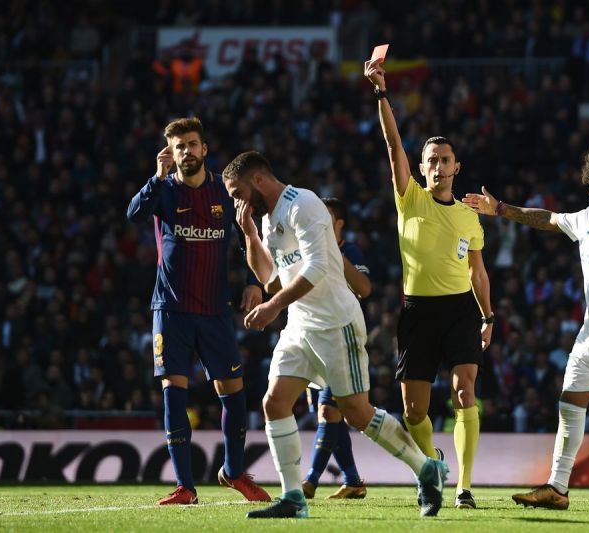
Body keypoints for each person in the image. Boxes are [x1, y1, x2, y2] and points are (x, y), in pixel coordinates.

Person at [222, 150, 448, 519]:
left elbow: (317, 268)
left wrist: (274, 306)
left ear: (258, 181)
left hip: (335, 323)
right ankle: (294, 498)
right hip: (300, 324)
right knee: (274, 403)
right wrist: (248, 233)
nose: (235, 201)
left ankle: (426, 468)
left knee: (357, 413)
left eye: (236, 192)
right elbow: (270, 278)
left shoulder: (304, 204)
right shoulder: (267, 218)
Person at [463, 145, 589, 513]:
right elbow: (549, 219)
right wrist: (502, 210)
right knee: (570, 404)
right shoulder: (588, 218)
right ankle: (557, 487)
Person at [364, 58, 493, 509]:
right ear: (421, 167)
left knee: (464, 391)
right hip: (417, 312)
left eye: (446, 160)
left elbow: (478, 271)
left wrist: (488, 315)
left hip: (460, 311)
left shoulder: (469, 215)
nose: (439, 166)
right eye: (432, 160)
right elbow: (391, 140)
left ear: (457, 167)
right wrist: (382, 92)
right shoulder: (410, 198)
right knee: (414, 411)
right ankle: (430, 467)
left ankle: (465, 487)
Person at [126, 117, 271, 505]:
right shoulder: (163, 191)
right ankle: (185, 486)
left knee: (234, 395)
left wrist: (254, 283)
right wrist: (156, 178)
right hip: (171, 310)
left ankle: (235, 471)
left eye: (192, 144)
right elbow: (133, 216)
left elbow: (246, 238)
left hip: (215, 310)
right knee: (174, 395)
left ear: (205, 148)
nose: (186, 151)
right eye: (179, 147)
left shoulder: (225, 192)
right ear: (169, 154)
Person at [302, 198, 371, 500]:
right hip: (314, 340)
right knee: (333, 416)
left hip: (341, 338)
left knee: (329, 411)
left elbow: (364, 288)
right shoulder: (308, 249)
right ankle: (353, 480)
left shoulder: (350, 252)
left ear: (339, 223)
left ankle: (310, 480)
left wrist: (335, 255)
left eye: (326, 217)